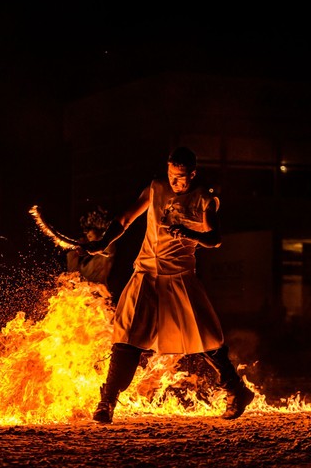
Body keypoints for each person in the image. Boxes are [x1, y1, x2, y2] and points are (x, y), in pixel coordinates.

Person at [82, 146, 255, 423]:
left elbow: (215, 239)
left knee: (206, 337)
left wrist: (188, 232)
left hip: (180, 276)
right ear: (167, 170)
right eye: (173, 176)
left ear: (193, 174)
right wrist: (104, 241)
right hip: (146, 272)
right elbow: (125, 219)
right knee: (127, 336)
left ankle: (236, 389)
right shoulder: (155, 189)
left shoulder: (204, 199)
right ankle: (107, 401)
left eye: (182, 178)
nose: (176, 183)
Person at [66, 206, 116, 289]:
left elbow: (109, 239)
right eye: (88, 236)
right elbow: (72, 272)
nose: (89, 238)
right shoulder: (86, 259)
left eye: (90, 235)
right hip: (84, 293)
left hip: (99, 293)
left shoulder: (107, 250)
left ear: (100, 235)